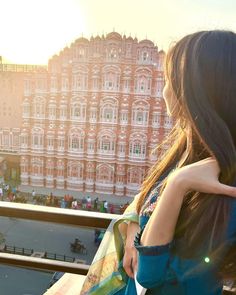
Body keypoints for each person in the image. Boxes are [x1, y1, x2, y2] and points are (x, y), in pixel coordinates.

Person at [80, 30, 236, 295]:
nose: (163, 91)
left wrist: (178, 184)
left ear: (193, 90)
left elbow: (149, 274)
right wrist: (133, 227)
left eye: (168, 80)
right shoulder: (186, 152)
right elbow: (147, 199)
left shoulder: (223, 186)